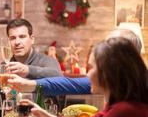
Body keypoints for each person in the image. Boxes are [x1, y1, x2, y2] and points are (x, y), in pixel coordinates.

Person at [8, 28, 143, 97]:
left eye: (110, 45)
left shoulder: (136, 93)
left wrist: (30, 83)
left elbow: (65, 81)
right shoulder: (117, 82)